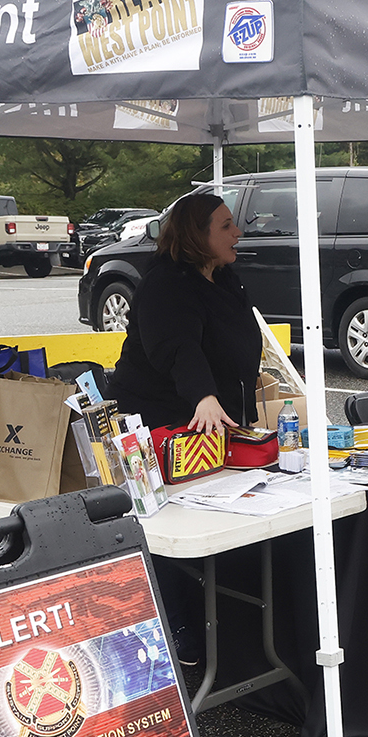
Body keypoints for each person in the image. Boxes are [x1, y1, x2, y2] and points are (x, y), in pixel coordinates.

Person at [109, 190, 260, 663]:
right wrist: (204, 396)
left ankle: (223, 626)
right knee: (167, 525)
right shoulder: (165, 284)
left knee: (218, 516)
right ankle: (176, 626)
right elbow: (177, 346)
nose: (238, 233)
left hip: (209, 421)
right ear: (196, 235)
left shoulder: (224, 277)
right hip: (160, 423)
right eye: (225, 226)